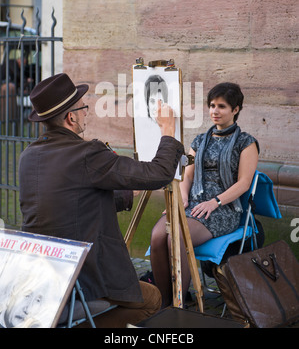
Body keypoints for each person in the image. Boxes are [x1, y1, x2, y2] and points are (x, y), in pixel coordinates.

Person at [18, 73, 184, 328]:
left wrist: (127, 192)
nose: (86, 113)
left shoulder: (29, 155)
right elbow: (159, 174)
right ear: (71, 117)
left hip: (42, 272)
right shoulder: (87, 153)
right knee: (152, 299)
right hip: (83, 273)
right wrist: (168, 131)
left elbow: (70, 199)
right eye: (83, 108)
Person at [150, 82, 259, 308]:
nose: (215, 111)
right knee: (157, 235)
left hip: (224, 209)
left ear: (236, 109)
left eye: (222, 106)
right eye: (211, 105)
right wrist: (182, 198)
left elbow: (244, 183)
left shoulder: (246, 143)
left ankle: (178, 304)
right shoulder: (199, 140)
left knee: (176, 236)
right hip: (195, 204)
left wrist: (215, 201)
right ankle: (164, 301)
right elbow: (186, 176)